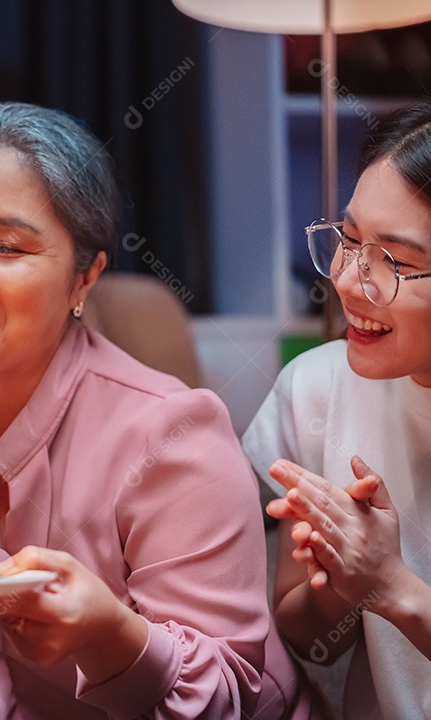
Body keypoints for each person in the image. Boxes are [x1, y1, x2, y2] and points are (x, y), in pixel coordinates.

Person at [0, 101, 327, 718]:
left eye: (5, 247)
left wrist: (113, 638)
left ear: (85, 280)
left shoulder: (173, 432)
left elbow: (231, 697)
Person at [244, 102, 431, 718]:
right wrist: (341, 585)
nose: (349, 281)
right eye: (349, 240)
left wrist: (394, 587)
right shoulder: (317, 389)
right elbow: (307, 639)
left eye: (395, 261)